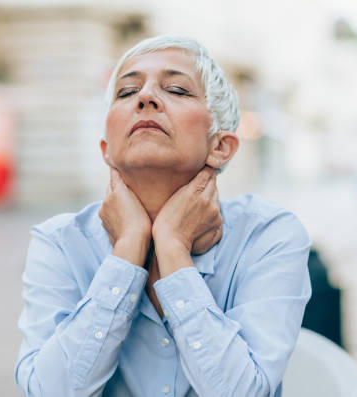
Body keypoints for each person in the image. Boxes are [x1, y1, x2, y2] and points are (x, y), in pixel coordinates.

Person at [15, 35, 311, 397]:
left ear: (220, 146)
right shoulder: (60, 242)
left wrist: (172, 248)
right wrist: (127, 251)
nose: (145, 97)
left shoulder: (268, 236)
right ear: (107, 150)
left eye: (176, 89)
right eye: (126, 92)